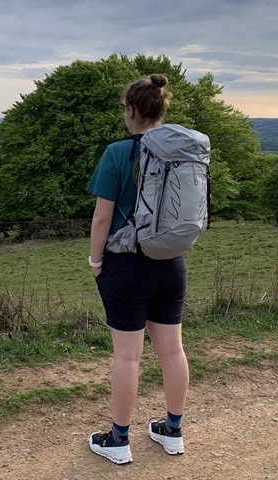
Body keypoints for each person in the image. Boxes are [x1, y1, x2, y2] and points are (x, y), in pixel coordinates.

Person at [86, 74, 190, 464]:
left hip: (126, 265)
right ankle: (172, 432)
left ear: (131, 110)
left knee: (128, 356)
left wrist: (96, 262)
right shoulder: (182, 152)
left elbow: (102, 218)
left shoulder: (117, 153)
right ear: (161, 110)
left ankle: (118, 440)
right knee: (173, 350)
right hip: (171, 262)